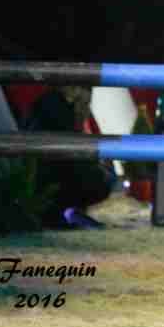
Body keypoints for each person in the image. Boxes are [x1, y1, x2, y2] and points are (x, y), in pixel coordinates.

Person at [22, 85, 112, 229]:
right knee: (102, 176)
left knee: (100, 171)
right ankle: (65, 213)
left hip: (46, 176)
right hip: (52, 178)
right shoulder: (59, 108)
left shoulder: (50, 102)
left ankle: (68, 213)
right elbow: (73, 149)